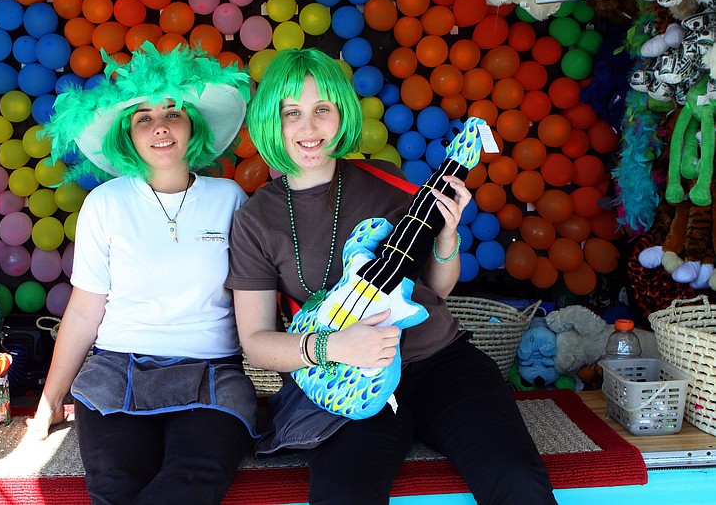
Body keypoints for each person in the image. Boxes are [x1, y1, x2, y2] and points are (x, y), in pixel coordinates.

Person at [226, 47, 557, 505]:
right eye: (292, 112)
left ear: (341, 114)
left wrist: (446, 240)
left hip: (441, 361)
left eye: (322, 109)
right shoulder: (256, 218)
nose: (308, 127)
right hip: (347, 376)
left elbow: (434, 290)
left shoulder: (384, 180)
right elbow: (257, 341)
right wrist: (333, 346)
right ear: (270, 121)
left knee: (517, 480)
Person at [26, 42, 258, 505]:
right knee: (116, 486)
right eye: (143, 118)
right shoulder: (105, 203)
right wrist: (50, 400)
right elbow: (85, 309)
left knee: (192, 481)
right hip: (117, 368)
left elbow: (255, 298)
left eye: (173, 112)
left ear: (192, 126)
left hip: (212, 372)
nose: (160, 127)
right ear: (128, 136)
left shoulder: (230, 197)